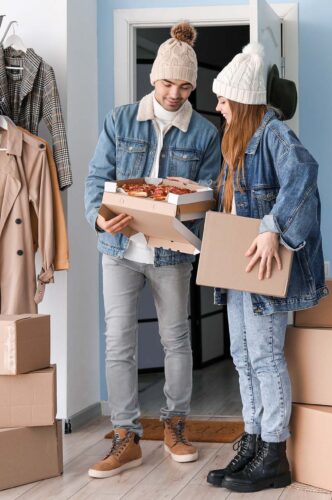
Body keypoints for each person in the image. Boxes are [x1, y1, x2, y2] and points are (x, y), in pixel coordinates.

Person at [84, 22, 221, 478]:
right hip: (120, 247)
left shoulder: (204, 133)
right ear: (153, 79)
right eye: (167, 83)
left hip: (172, 253)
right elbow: (94, 181)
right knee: (119, 341)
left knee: (175, 340)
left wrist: (190, 201)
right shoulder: (120, 120)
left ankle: (175, 426)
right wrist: (100, 217)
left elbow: (214, 196)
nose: (174, 93)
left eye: (184, 85)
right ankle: (125, 436)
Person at [206, 43, 328, 493]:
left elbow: (303, 178)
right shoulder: (237, 144)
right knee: (242, 357)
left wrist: (272, 226)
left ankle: (274, 453)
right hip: (239, 269)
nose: (217, 105)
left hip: (265, 270)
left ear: (241, 100)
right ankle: (254, 441)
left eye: (223, 99)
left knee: (265, 358)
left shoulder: (274, 135)